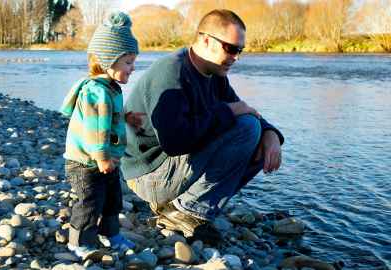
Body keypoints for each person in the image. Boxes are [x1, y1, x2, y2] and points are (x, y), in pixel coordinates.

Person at [121, 9, 284, 241]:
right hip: (147, 173)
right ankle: (186, 210)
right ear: (207, 40)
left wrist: (271, 135)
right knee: (247, 128)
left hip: (168, 169)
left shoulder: (214, 75)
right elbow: (175, 142)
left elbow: (242, 108)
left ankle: (187, 207)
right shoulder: (171, 73)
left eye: (240, 50)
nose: (236, 57)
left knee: (255, 133)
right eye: (231, 49)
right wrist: (228, 112)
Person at [60, 11, 141, 261]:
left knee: (112, 200)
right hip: (86, 162)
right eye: (128, 62)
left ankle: (111, 234)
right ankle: (78, 241)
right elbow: (96, 130)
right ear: (109, 61)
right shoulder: (97, 92)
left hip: (103, 160)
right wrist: (102, 157)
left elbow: (109, 118)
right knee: (90, 202)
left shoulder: (109, 87)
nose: (132, 67)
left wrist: (126, 118)